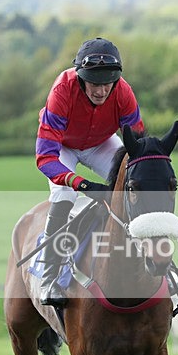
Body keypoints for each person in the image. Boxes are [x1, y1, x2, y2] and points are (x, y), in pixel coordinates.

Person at [34, 37, 145, 306]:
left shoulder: (123, 92)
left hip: (101, 144)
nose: (101, 91)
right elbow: (46, 157)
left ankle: (151, 264)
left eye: (108, 83)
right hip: (63, 147)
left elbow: (137, 146)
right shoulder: (62, 90)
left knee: (136, 183)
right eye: (94, 83)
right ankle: (49, 278)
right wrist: (84, 185)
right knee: (64, 197)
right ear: (81, 78)